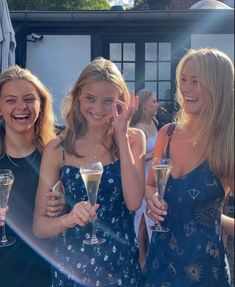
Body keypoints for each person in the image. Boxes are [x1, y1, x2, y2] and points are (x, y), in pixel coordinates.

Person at [33, 57, 145, 287]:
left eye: (108, 101)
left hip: (121, 267)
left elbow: (134, 202)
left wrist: (121, 134)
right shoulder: (58, 148)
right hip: (72, 268)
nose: (97, 109)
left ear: (120, 102)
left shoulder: (133, 139)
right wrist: (68, 218)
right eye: (90, 99)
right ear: (78, 97)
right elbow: (39, 226)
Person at [144, 48, 234, 286]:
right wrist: (152, 199)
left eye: (195, 81)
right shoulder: (168, 133)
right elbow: (151, 184)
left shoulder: (227, 144)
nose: (185, 89)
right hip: (159, 266)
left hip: (204, 274)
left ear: (217, 86)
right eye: (183, 80)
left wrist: (215, 218)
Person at [0, 65, 62, 287]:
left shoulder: (56, 155)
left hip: (43, 272)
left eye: (29, 99)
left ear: (41, 105)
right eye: (10, 100)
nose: (21, 107)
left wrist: (64, 205)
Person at [130, 89, 159, 269]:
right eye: (154, 102)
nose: (157, 105)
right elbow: (137, 158)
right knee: (141, 216)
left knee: (151, 215)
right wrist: (155, 155)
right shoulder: (138, 127)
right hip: (142, 174)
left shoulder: (155, 123)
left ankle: (150, 253)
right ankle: (141, 257)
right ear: (145, 105)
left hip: (154, 176)